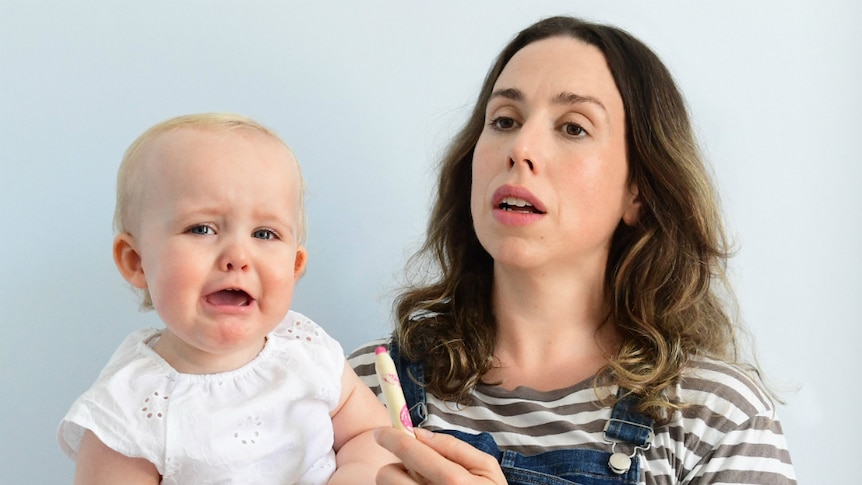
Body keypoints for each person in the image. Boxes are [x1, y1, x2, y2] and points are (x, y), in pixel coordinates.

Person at [348, 16, 796, 485]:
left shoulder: (717, 417)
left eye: (573, 128)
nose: (521, 147)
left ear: (637, 190)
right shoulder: (359, 388)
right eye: (504, 120)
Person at [58, 113, 396, 484]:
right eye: (201, 229)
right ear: (136, 261)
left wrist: (357, 474)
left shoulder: (306, 349)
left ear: (295, 265)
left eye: (265, 234)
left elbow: (371, 435)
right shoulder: (128, 408)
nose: (238, 256)